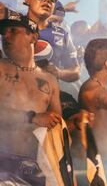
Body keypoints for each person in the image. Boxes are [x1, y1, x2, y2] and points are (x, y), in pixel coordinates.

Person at [0, 13, 62, 184]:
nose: (6, 36)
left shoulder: (50, 81)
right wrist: (32, 117)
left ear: (33, 36)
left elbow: (56, 128)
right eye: (3, 33)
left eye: (13, 30)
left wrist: (75, 124)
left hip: (35, 169)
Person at [23, 0, 80, 83]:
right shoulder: (10, 26)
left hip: (47, 95)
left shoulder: (62, 34)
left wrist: (59, 73)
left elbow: (75, 71)